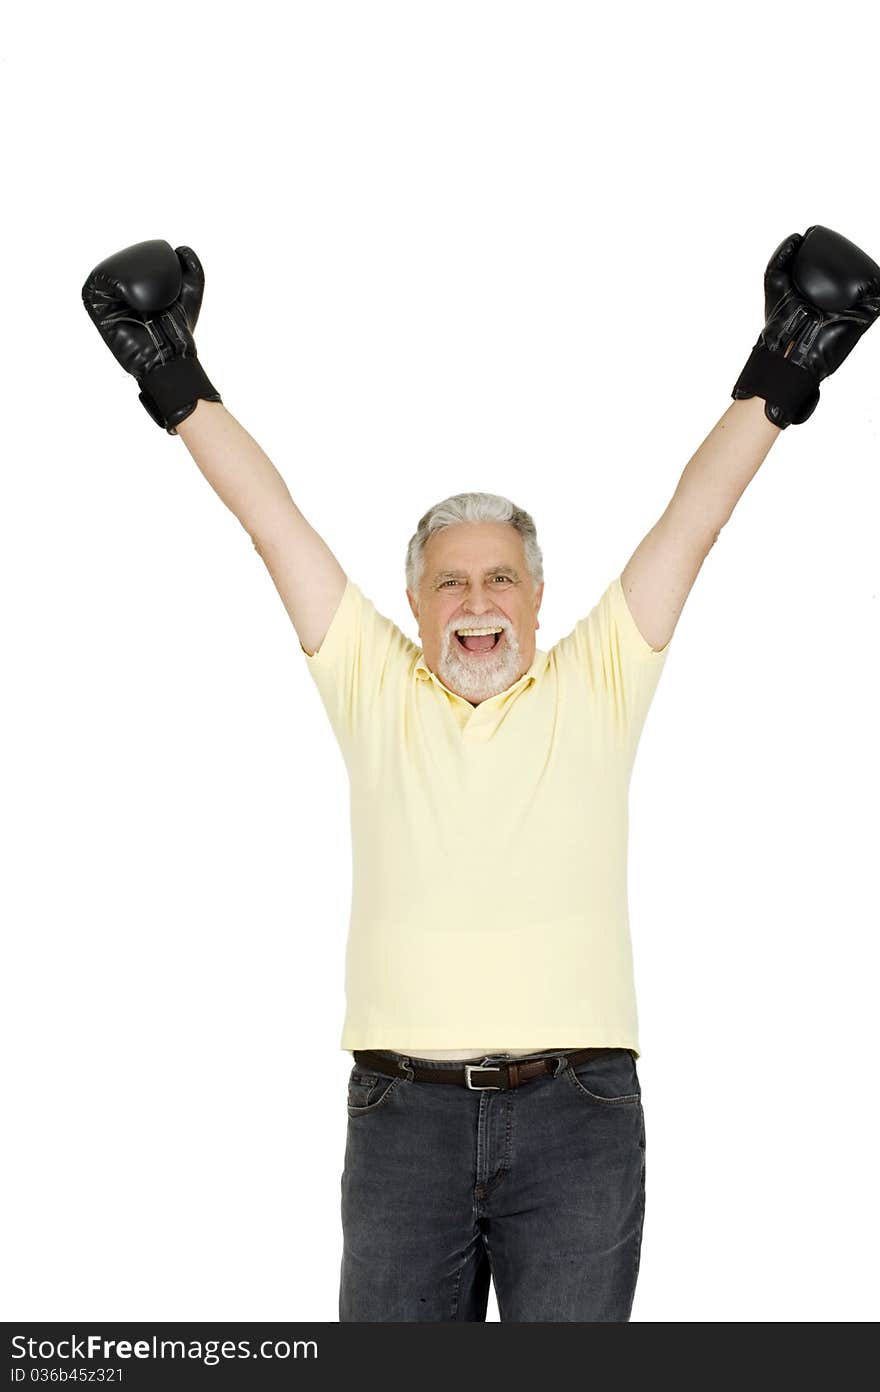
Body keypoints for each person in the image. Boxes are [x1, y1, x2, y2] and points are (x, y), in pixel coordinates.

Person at [82, 226, 880, 1321]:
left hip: (577, 1117)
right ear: (414, 609)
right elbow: (274, 528)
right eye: (450, 582)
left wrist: (788, 362)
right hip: (401, 1120)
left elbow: (691, 525)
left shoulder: (594, 682)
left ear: (536, 603)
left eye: (500, 578)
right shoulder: (374, 685)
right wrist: (170, 376)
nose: (475, 602)